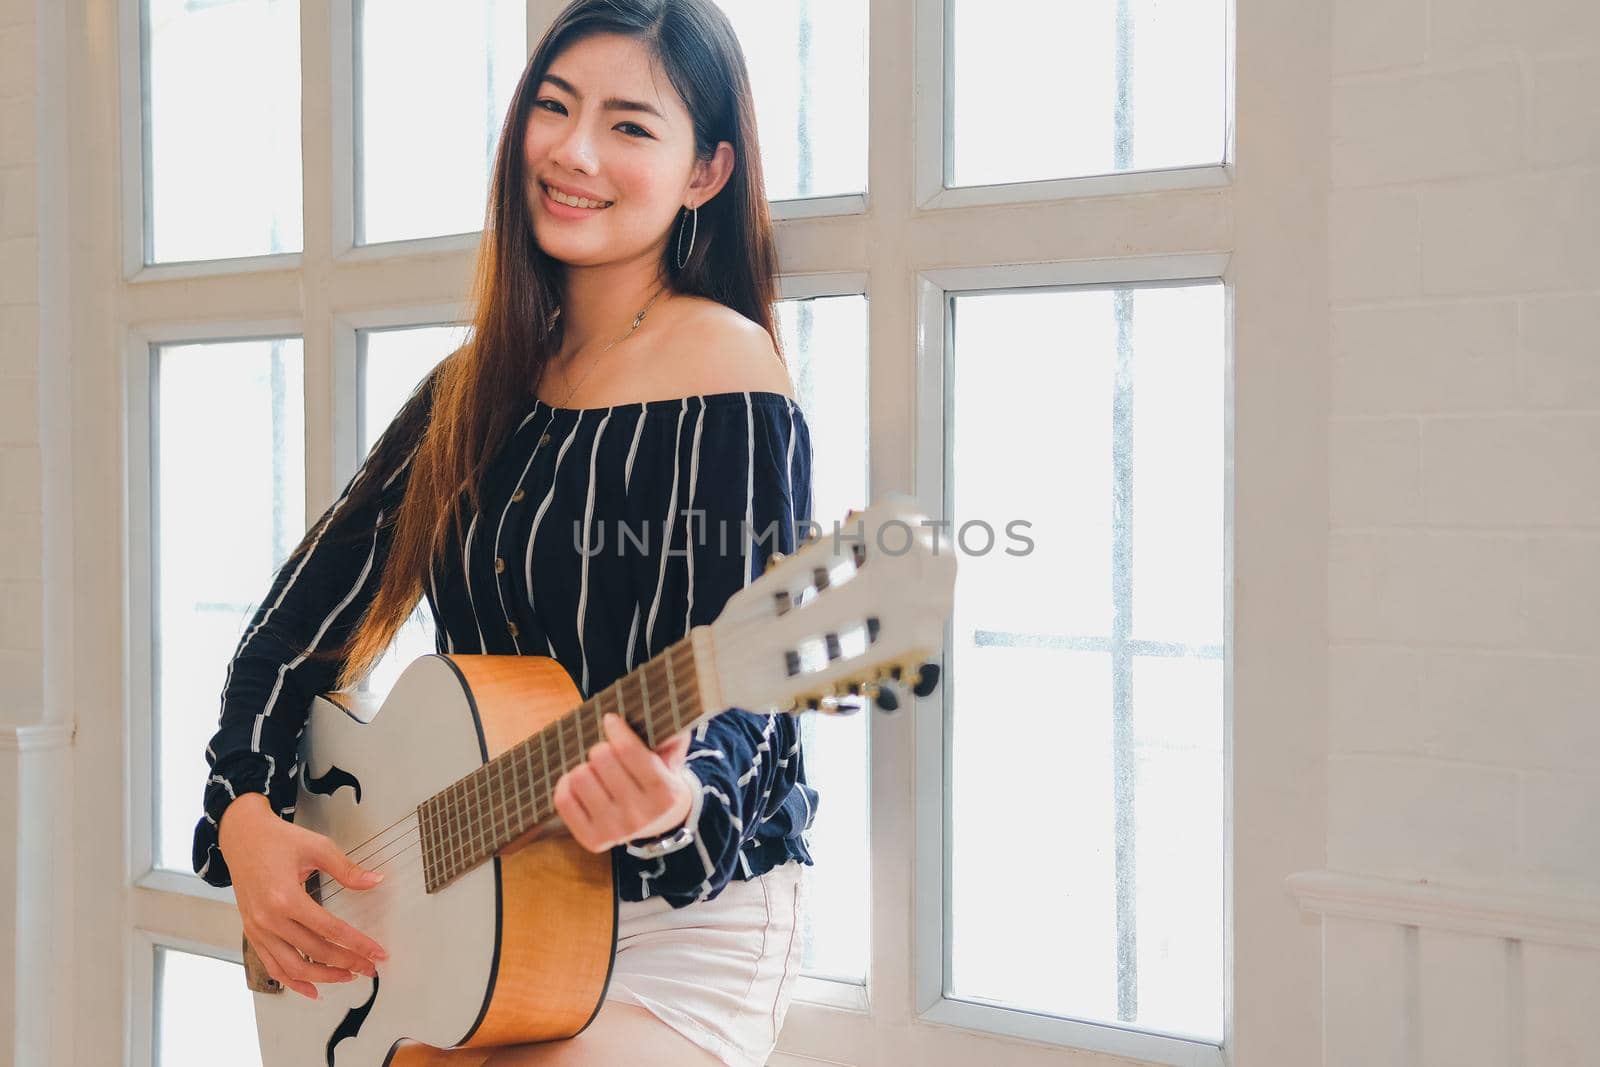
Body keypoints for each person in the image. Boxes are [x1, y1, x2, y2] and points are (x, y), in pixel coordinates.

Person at [191, 2, 820, 1063]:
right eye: (554, 107)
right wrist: (246, 814)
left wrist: (674, 801)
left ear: (705, 173)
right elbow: (285, 641)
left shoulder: (727, 367)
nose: (573, 152)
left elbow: (749, 672)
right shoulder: (471, 388)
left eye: (629, 124)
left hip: (673, 928)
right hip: (464, 909)